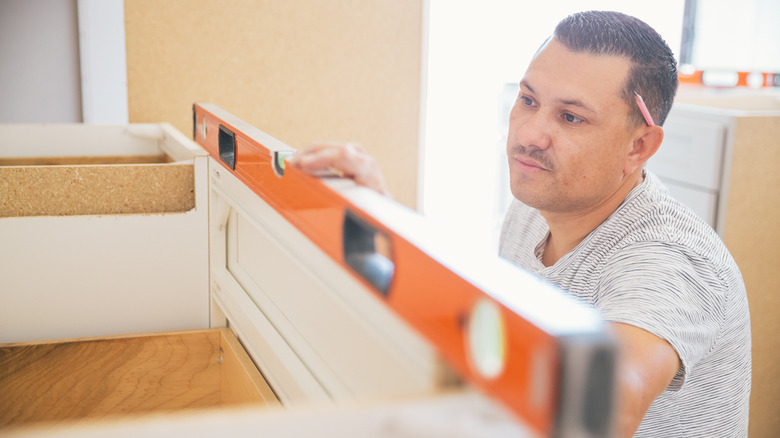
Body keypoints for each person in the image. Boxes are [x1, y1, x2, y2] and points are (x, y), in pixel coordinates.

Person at [290, 11, 751, 438]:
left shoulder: (671, 257)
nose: (529, 134)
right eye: (528, 100)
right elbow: (491, 332)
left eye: (571, 117)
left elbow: (606, 409)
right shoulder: (537, 205)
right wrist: (382, 219)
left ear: (639, 147)